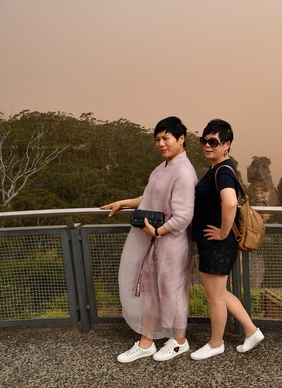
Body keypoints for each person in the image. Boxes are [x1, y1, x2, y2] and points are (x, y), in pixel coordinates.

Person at [100, 116, 198, 363]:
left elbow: (184, 215)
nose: (161, 144)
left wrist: (158, 232)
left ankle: (179, 341)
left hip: (171, 241)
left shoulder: (184, 172)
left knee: (172, 291)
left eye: (166, 138)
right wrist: (124, 202)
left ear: (181, 139)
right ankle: (146, 342)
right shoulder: (162, 168)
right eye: (158, 139)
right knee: (152, 291)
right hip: (155, 239)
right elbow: (147, 197)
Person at [189, 119, 264, 360]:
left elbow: (230, 202)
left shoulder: (222, 171)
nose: (207, 146)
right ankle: (251, 331)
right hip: (217, 243)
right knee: (220, 293)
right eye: (204, 141)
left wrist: (222, 231)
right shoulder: (219, 168)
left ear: (227, 144)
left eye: (213, 142)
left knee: (214, 297)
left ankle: (215, 343)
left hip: (217, 244)